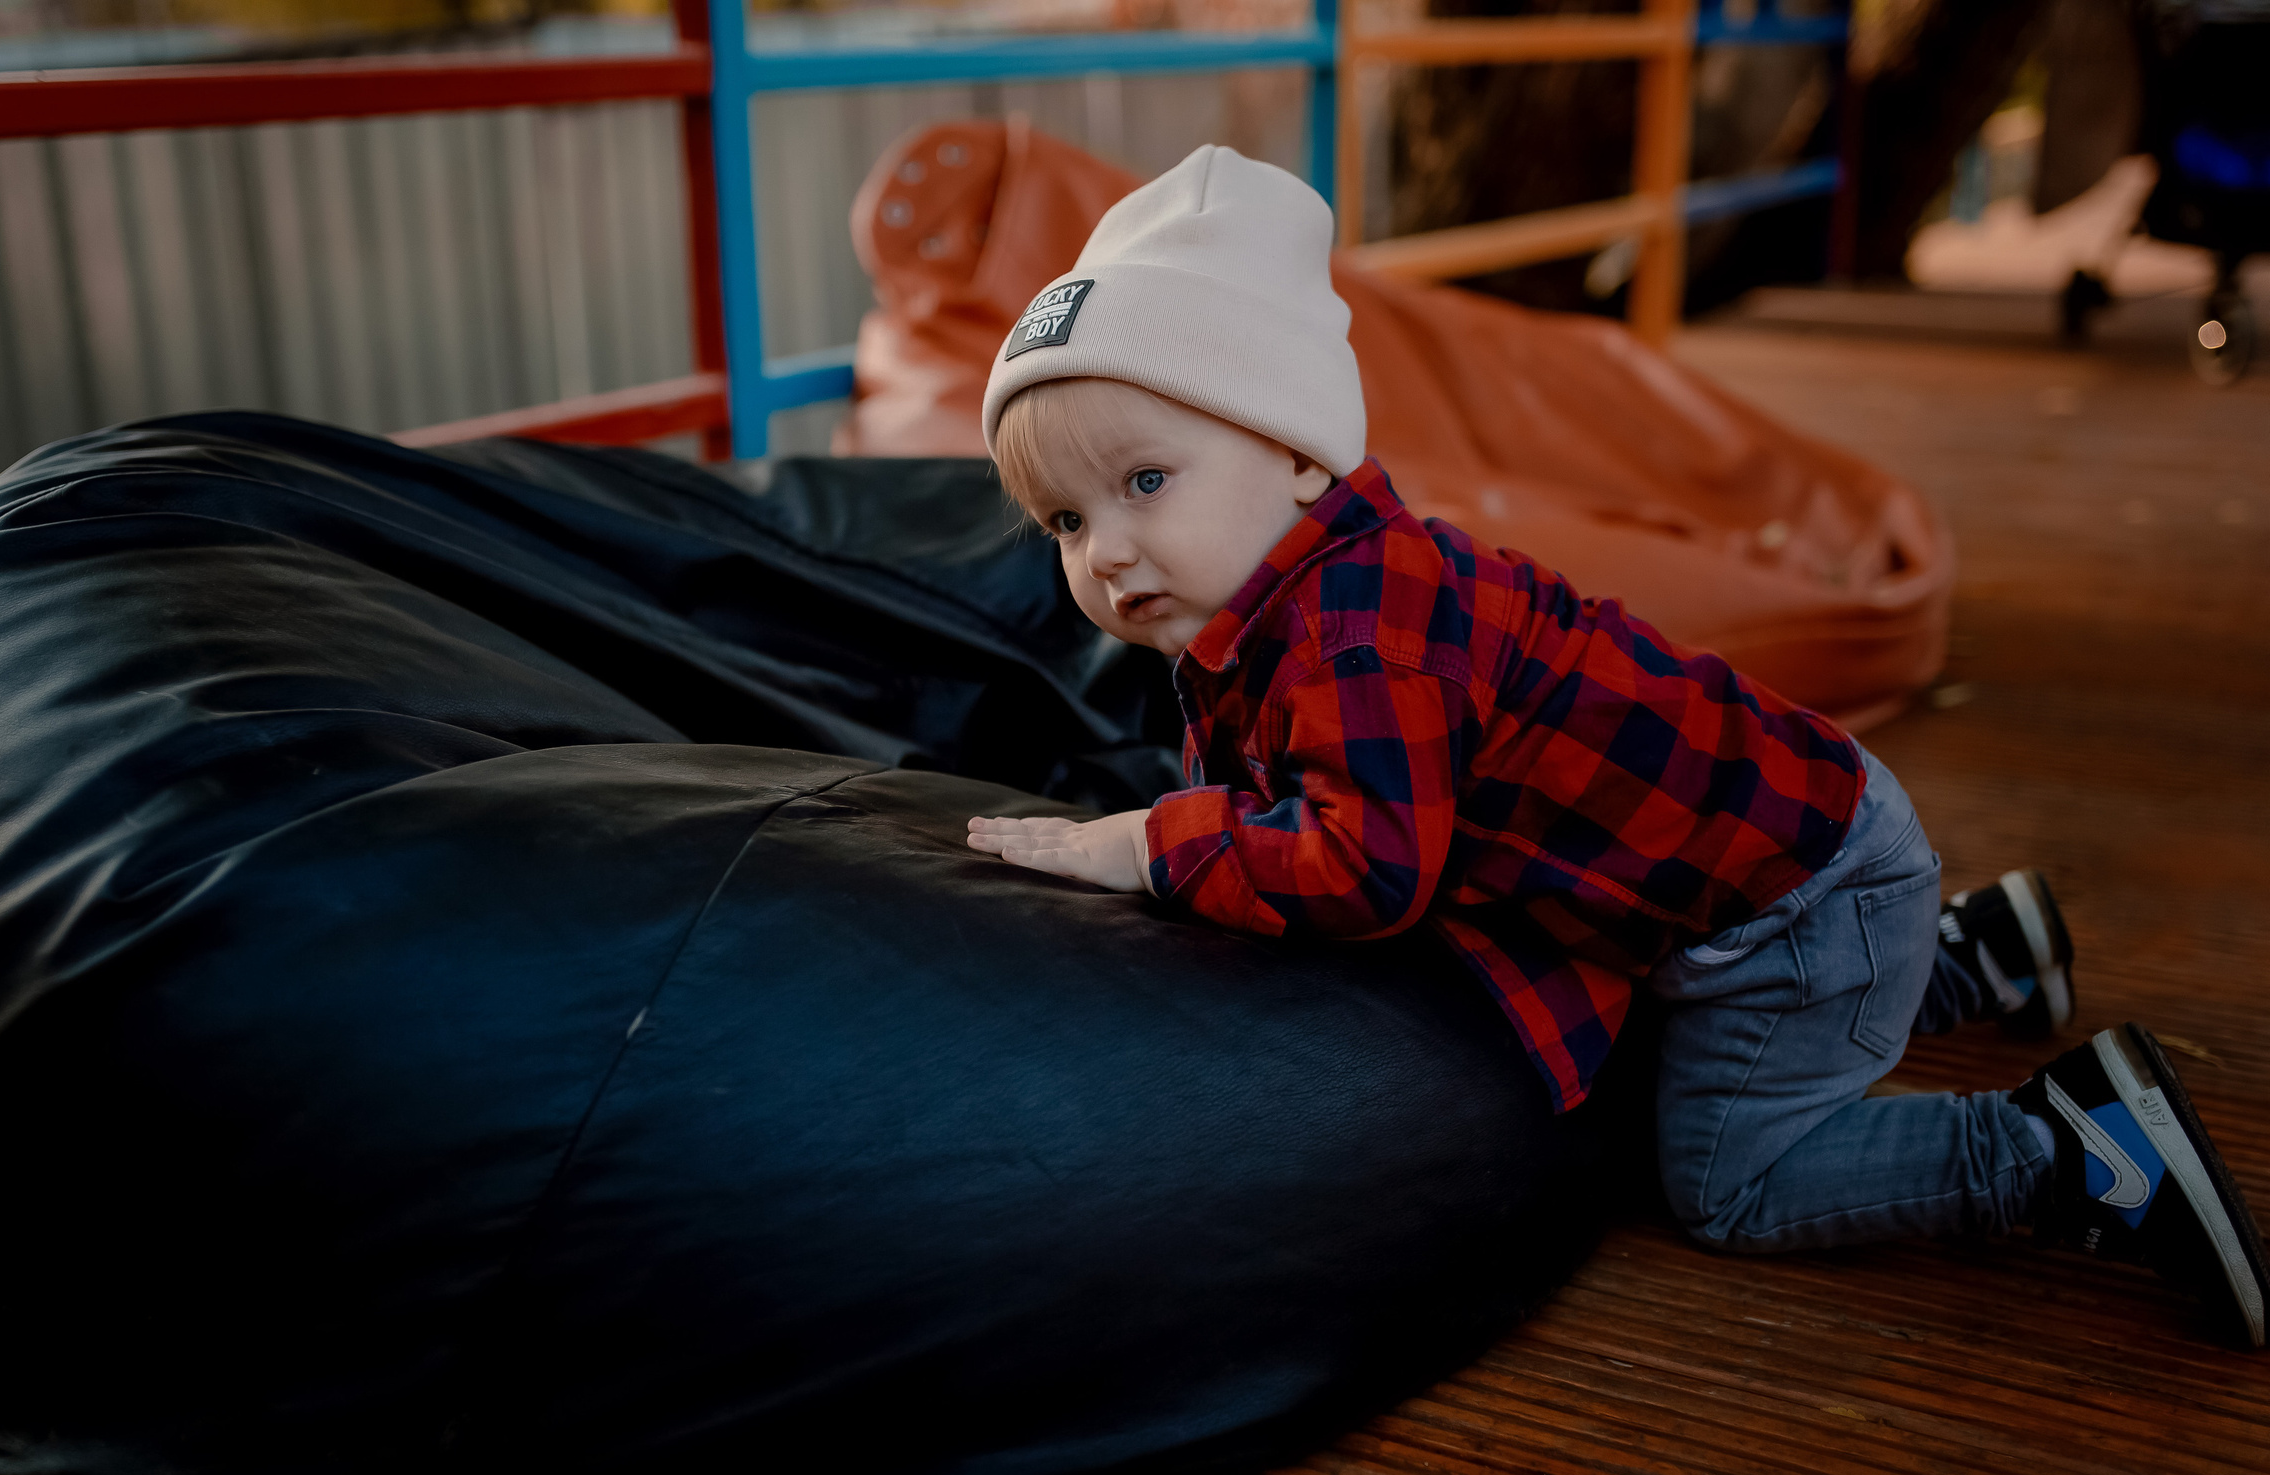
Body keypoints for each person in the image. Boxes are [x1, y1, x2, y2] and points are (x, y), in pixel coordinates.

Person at [963, 144, 2268, 1347]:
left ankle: (2069, 1147)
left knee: (1730, 1182)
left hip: (1796, 906)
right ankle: (1975, 957)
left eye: (1144, 483)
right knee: (1733, 1016)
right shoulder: (1321, 587)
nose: (1108, 552)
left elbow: (1365, 869)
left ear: (1299, 454)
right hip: (1797, 857)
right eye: (1064, 522)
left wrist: (1149, 846)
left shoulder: (1359, 644)